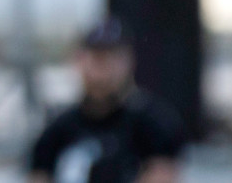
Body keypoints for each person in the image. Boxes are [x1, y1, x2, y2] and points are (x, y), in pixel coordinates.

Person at [28, 17, 186, 183]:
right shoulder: (58, 129)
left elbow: (162, 174)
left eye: (112, 58)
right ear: (79, 61)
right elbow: (38, 175)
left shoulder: (155, 123)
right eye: (97, 58)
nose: (103, 69)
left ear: (129, 62)